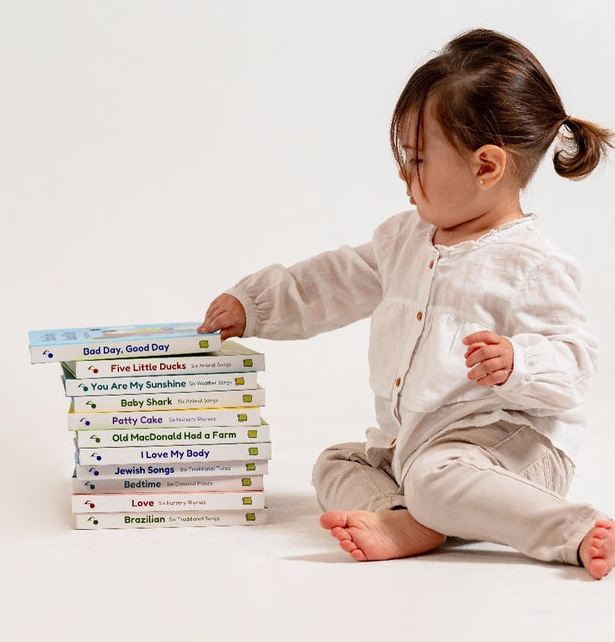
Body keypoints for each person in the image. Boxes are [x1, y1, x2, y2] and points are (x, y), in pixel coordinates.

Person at [198, 29, 615, 579]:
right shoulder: (406, 240)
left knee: (437, 479)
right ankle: (405, 517)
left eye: (418, 159)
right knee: (337, 463)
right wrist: (254, 305)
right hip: (416, 448)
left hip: (512, 451)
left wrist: (519, 361)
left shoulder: (530, 263)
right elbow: (334, 280)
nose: (404, 174)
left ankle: (571, 529)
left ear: (485, 167)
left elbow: (575, 363)